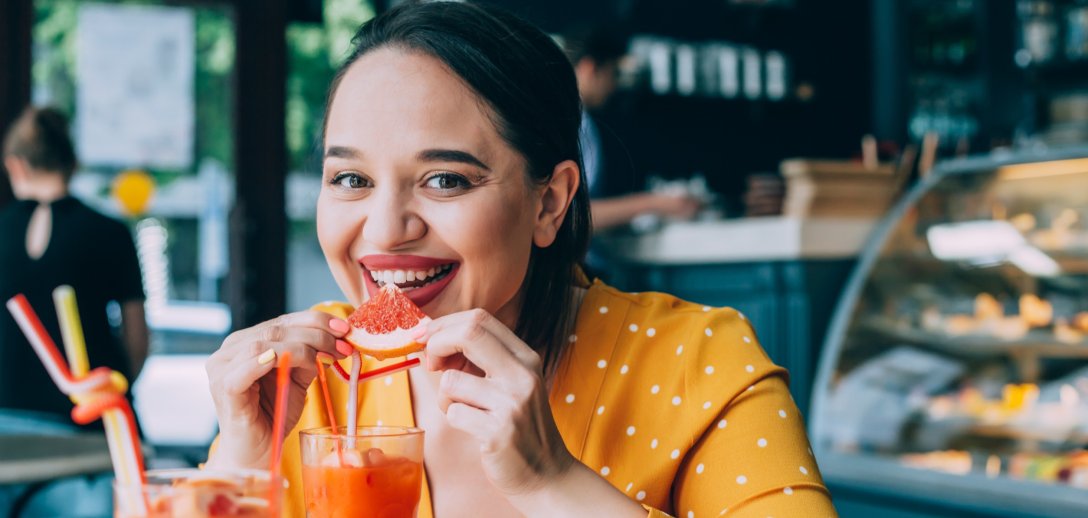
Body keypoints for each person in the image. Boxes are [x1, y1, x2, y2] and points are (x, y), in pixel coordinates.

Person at [204, 3, 836, 517]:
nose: (386, 229)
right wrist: (240, 461)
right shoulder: (301, 388)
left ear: (549, 202)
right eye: (349, 179)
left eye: (446, 180)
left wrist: (550, 482)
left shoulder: (703, 363)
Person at [0, 106, 149, 516]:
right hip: (85, 435)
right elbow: (137, 340)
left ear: (15, 166)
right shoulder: (110, 232)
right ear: (73, 164)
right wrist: (114, 389)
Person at [563, 25, 702, 231]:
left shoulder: (581, 121)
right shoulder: (569, 122)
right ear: (590, 68)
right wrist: (656, 203)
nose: (615, 85)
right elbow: (571, 217)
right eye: (614, 73)